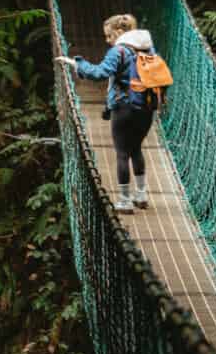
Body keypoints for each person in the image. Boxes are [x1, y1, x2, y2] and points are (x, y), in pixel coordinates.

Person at [56, 13, 159, 213]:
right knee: (136, 148)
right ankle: (141, 194)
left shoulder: (119, 51)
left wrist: (76, 63)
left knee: (122, 153)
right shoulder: (149, 48)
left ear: (120, 32)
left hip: (124, 107)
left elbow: (99, 73)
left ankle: (124, 200)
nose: (108, 40)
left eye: (109, 35)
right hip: (146, 108)